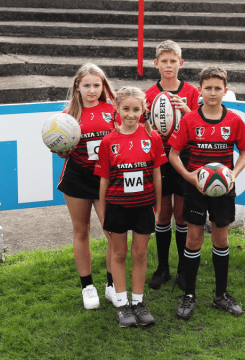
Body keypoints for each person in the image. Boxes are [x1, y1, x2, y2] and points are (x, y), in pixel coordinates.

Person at [168, 66, 245, 320]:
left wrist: (232, 175)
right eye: (208, 88)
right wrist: (189, 176)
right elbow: (173, 154)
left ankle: (220, 295)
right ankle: (189, 295)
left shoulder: (234, 120)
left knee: (221, 239)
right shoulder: (190, 120)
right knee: (193, 239)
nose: (213, 93)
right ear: (200, 91)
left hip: (224, 190)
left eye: (218, 88)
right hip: (196, 188)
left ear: (225, 91)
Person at [95, 86, 166, 328]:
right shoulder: (108, 142)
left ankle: (138, 302)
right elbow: (104, 179)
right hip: (117, 207)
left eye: (136, 109)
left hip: (144, 207)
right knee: (119, 254)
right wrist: (103, 213)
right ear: (117, 109)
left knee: (139, 254)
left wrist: (157, 207)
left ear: (144, 110)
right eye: (126, 109)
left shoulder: (152, 138)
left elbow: (157, 175)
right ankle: (122, 304)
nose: (131, 114)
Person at [53, 63, 118, 310]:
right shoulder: (67, 115)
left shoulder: (112, 110)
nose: (92, 90)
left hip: (105, 179)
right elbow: (61, 152)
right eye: (87, 85)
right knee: (81, 231)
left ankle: (112, 284)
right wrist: (61, 150)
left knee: (112, 231)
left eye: (96, 85)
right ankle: (87, 286)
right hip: (77, 178)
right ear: (77, 87)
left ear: (103, 87)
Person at [145, 40, 200, 291]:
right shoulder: (148, 95)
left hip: (184, 158)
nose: (168, 66)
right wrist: (150, 128)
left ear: (181, 63)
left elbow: (200, 126)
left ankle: (182, 270)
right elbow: (141, 129)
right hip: (160, 160)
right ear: (156, 64)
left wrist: (187, 110)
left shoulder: (191, 92)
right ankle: (163, 267)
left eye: (173, 61)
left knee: (181, 216)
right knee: (162, 214)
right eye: (164, 61)